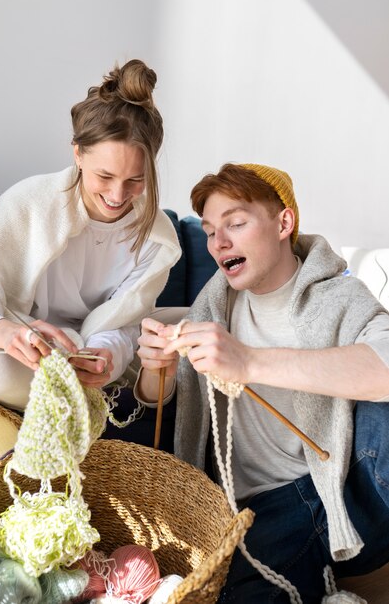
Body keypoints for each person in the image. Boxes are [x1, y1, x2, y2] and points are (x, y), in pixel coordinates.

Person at [135, 163, 389, 603]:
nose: (219, 243)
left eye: (235, 223)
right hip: (241, 504)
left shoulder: (340, 298)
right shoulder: (210, 307)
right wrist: (153, 370)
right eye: (211, 230)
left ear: (283, 223)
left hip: (330, 488)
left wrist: (248, 361)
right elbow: (162, 405)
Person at [0, 59, 181, 412]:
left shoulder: (155, 238)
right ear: (78, 154)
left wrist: (106, 356)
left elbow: (127, 323)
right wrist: (7, 333)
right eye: (105, 176)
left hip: (85, 352)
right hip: (19, 347)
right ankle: (77, 401)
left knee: (195, 325)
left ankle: (79, 394)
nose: (118, 196)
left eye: (135, 180)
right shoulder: (28, 205)